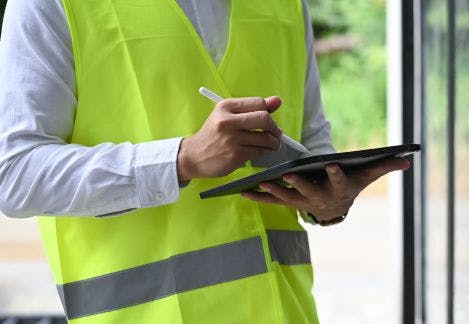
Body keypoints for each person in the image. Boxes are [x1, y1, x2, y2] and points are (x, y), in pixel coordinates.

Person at [0, 0, 409, 322]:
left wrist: (329, 201)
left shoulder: (287, 4)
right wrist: (180, 160)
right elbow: (14, 174)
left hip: (287, 313)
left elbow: (311, 143)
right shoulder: (53, 3)